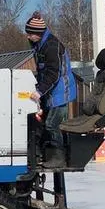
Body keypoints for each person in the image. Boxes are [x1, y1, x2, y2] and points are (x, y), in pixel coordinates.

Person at [24, 11, 77, 168]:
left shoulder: (52, 46)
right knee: (42, 124)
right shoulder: (39, 45)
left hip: (61, 92)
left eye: (30, 34)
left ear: (38, 33)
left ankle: (59, 157)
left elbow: (53, 73)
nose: (28, 37)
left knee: (52, 124)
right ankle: (44, 154)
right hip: (50, 92)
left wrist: (39, 91)